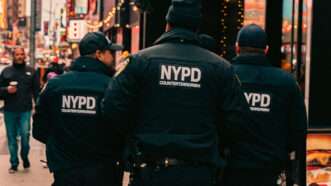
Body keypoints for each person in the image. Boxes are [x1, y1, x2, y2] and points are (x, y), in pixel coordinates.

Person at [102, 0, 252, 185]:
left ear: (168, 24)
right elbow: (237, 119)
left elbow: (112, 106)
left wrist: (135, 136)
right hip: (199, 171)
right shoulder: (221, 68)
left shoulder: (140, 62)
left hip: (150, 170)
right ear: (197, 27)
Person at [32, 32, 123, 186]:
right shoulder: (113, 86)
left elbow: (39, 129)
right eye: (110, 52)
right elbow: (123, 127)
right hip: (103, 170)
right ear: (99, 54)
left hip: (65, 171)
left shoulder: (55, 85)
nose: (113, 57)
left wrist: (61, 148)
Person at [222, 24, 307, 186]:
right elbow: (298, 130)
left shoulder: (224, 76)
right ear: (266, 50)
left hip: (231, 169)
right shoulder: (286, 82)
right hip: (270, 170)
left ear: (237, 48)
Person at [0, 47, 39, 173]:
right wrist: (6, 90)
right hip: (9, 111)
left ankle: (24, 156)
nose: (20, 56)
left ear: (25, 55)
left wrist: (38, 107)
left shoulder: (31, 71)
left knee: (25, 136)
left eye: (22, 54)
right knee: (11, 138)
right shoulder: (6, 71)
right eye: (17, 54)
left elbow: (36, 92)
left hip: (25, 111)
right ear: (13, 56)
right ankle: (14, 163)